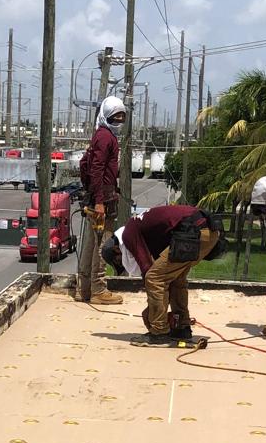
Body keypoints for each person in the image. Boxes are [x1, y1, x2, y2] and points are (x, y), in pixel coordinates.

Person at [101, 203, 223, 345]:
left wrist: (151, 312)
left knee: (154, 278)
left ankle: (159, 333)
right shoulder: (143, 230)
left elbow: (148, 271)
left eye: (118, 261)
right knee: (176, 279)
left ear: (117, 249)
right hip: (208, 231)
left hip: (192, 231)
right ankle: (181, 328)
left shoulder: (129, 233)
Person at [74, 95, 126, 306]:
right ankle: (98, 289)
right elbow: (97, 169)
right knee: (101, 244)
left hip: (99, 195)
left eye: (122, 118)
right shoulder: (106, 138)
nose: (119, 122)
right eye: (115, 118)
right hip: (102, 197)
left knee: (91, 243)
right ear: (106, 117)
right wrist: (99, 201)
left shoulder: (102, 135)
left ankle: (83, 288)